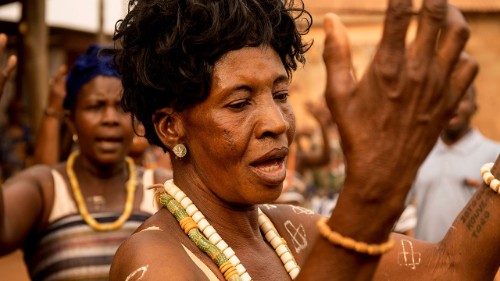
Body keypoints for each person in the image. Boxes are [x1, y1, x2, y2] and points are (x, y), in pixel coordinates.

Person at [109, 0, 498, 280]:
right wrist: (368, 197)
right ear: (170, 127)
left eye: (280, 95)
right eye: (240, 102)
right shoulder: (154, 259)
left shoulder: (291, 231)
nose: (277, 123)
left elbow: (452, 267)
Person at [0, 42, 171, 281]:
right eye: (95, 106)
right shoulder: (46, 190)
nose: (110, 119)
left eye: (121, 107)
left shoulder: (165, 192)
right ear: (71, 120)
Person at [409, 84, 500, 242]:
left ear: (474, 107)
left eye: (463, 99)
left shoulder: (495, 155)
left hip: (470, 265)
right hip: (423, 262)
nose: (453, 105)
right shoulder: (419, 153)